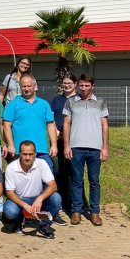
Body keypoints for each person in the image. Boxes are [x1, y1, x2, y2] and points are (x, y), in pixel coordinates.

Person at [63, 73, 109, 226]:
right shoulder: (70, 101)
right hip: (76, 147)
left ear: (92, 86)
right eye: (81, 85)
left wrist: (105, 147)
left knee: (94, 181)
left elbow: (104, 125)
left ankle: (94, 212)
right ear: (77, 85)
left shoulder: (100, 102)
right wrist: (67, 145)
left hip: (95, 148)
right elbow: (66, 124)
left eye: (87, 86)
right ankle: (76, 211)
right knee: (77, 181)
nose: (84, 88)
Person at [2, 141, 62, 239]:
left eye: (30, 154)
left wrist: (40, 199)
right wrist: (25, 206)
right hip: (19, 199)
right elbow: (10, 193)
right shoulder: (11, 167)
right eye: (24, 154)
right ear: (19, 154)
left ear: (35, 154)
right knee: (10, 210)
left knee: (56, 198)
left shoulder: (42, 163)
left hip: (37, 198)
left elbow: (53, 186)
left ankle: (44, 224)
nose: (27, 157)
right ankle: (18, 220)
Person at [2, 75, 58, 171]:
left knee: (47, 177)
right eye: (24, 86)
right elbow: (6, 126)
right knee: (21, 178)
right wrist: (10, 145)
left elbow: (50, 125)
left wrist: (54, 145)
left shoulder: (44, 104)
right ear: (20, 87)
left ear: (34, 86)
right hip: (20, 151)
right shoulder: (12, 104)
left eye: (29, 86)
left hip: (41, 150)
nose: (27, 89)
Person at [49, 72, 81, 215]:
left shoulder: (79, 100)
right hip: (57, 141)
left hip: (74, 142)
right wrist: (55, 131)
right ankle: (60, 202)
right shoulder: (56, 100)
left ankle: (74, 203)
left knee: (72, 173)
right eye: (65, 83)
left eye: (69, 83)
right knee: (58, 172)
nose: (67, 85)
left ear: (75, 84)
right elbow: (50, 118)